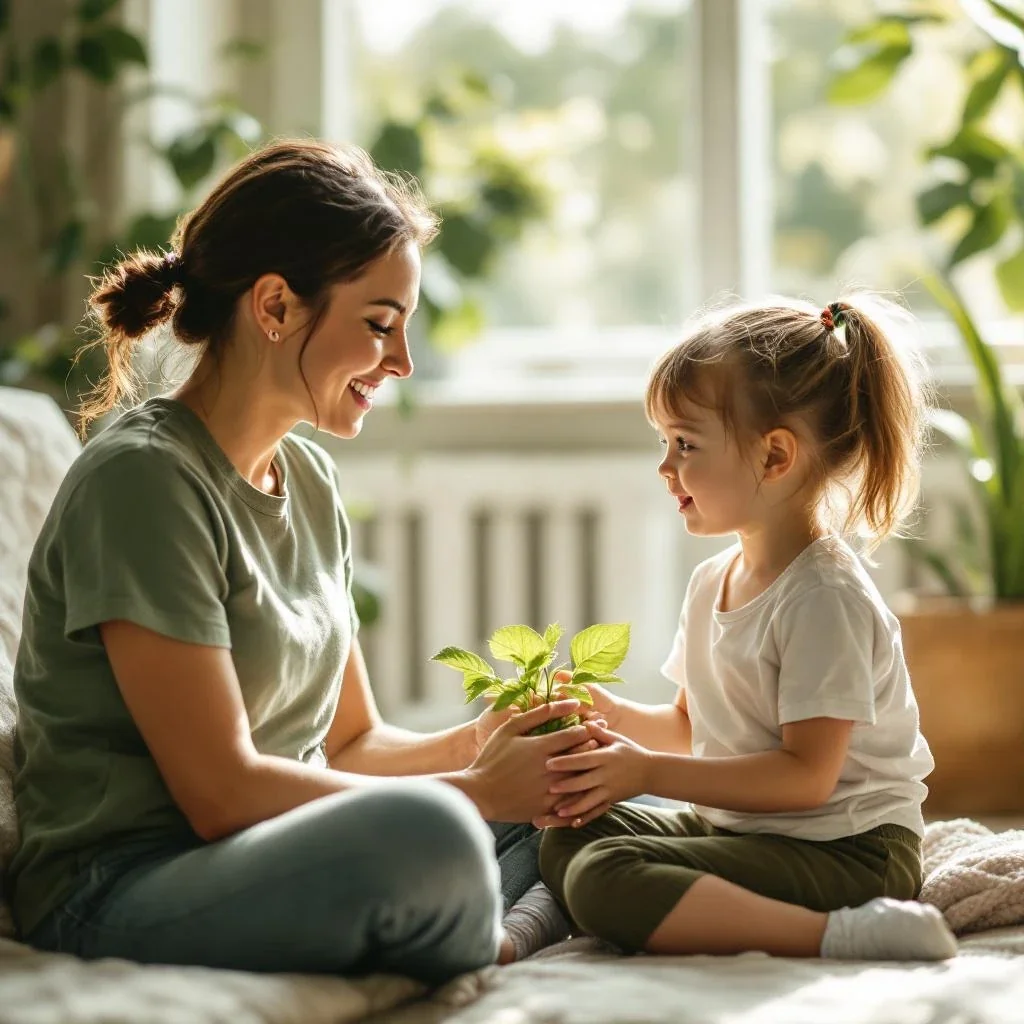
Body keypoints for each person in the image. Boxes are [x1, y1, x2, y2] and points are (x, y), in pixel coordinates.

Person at [9, 140, 589, 985]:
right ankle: (500, 926)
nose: (402, 363)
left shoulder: (309, 478)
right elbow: (221, 795)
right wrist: (476, 791)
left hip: (274, 849)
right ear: (275, 305)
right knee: (440, 836)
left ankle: (482, 916)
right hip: (125, 881)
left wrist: (488, 746)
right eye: (381, 325)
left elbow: (350, 743)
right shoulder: (143, 480)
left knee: (595, 800)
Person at [537, 296, 959, 961]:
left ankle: (845, 934)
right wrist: (610, 716)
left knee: (603, 872)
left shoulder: (824, 598)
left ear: (774, 458)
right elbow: (691, 726)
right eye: (664, 443)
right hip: (756, 834)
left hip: (850, 852)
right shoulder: (712, 581)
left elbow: (805, 780)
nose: (664, 466)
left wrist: (646, 771)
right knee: (570, 835)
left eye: (685, 443)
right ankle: (568, 920)